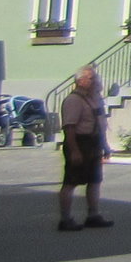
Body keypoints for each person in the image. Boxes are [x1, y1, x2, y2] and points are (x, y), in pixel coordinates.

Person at [54, 65, 114, 231]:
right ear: (80, 81)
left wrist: (105, 145)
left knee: (95, 181)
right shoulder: (73, 100)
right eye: (91, 78)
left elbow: (101, 123)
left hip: (94, 142)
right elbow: (70, 127)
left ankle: (93, 215)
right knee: (71, 182)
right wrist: (74, 150)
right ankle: (65, 219)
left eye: (95, 78)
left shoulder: (95, 98)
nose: (95, 81)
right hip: (80, 142)